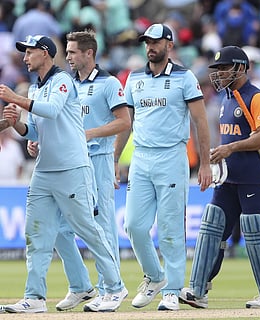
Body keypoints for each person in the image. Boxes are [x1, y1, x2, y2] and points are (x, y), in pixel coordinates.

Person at [0, 35, 128, 313]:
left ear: (45, 53)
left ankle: (116, 287)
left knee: (88, 230)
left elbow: (53, 110)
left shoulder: (63, 81)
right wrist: (17, 124)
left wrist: (15, 99)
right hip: (44, 170)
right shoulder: (35, 88)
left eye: (29, 52)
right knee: (37, 234)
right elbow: (33, 131)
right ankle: (34, 298)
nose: (25, 58)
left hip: (72, 167)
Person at [115, 23, 212, 311]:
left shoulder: (184, 78)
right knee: (133, 225)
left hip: (172, 156)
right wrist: (113, 160)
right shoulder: (134, 79)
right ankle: (155, 276)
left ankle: (171, 289)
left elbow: (200, 122)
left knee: (170, 228)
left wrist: (205, 164)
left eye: (156, 42)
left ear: (169, 45)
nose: (150, 47)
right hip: (141, 159)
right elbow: (125, 122)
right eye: (147, 42)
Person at [179, 46, 260, 309]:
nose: (219, 74)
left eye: (224, 68)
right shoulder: (226, 98)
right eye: (217, 69)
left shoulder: (256, 97)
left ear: (240, 68)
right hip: (228, 178)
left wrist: (230, 148)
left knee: (257, 231)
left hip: (254, 178)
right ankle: (198, 290)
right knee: (211, 227)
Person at [50, 30, 131, 312]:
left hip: (98, 160)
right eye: (68, 52)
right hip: (69, 163)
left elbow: (124, 122)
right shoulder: (68, 85)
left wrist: (91, 134)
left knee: (102, 225)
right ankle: (81, 286)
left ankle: (112, 289)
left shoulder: (109, 83)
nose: (68, 57)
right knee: (59, 227)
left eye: (72, 52)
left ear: (89, 53)